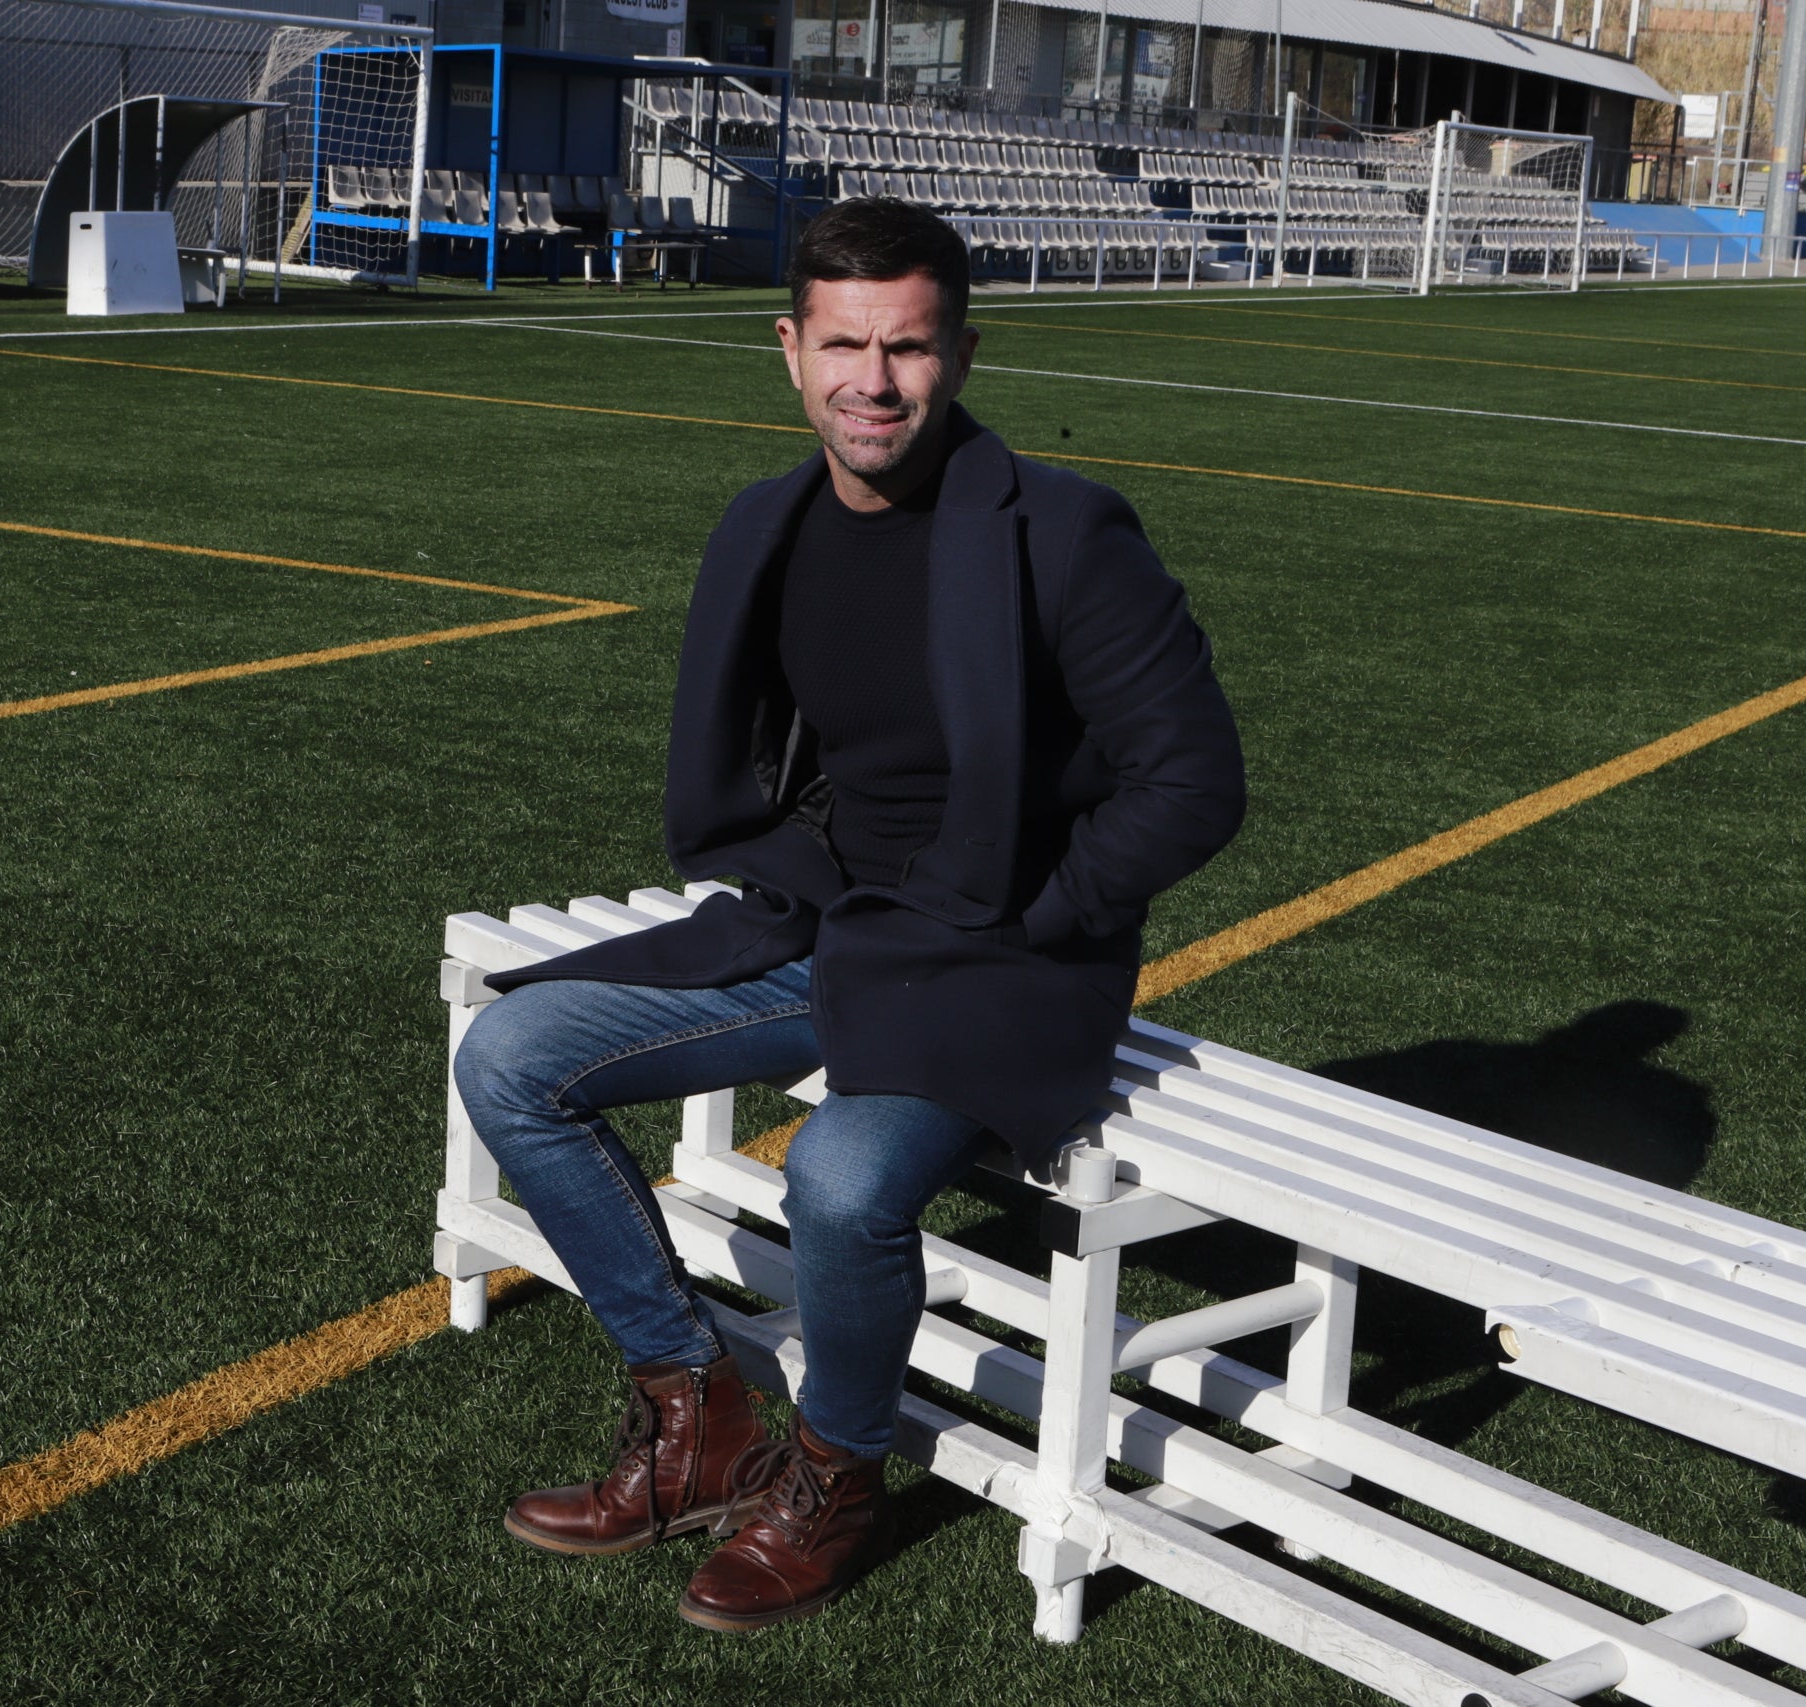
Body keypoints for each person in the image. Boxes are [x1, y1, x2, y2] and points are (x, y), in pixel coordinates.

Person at [452, 198, 1246, 1632]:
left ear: (962, 354)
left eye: (909, 348)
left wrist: (1042, 909)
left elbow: (1194, 782)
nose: (873, 382)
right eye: (843, 346)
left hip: (1000, 958)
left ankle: (836, 1472)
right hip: (833, 927)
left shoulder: (1063, 534)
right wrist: (806, 866)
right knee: (510, 1058)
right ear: (790, 348)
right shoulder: (768, 525)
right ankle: (696, 1414)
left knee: (838, 1178)